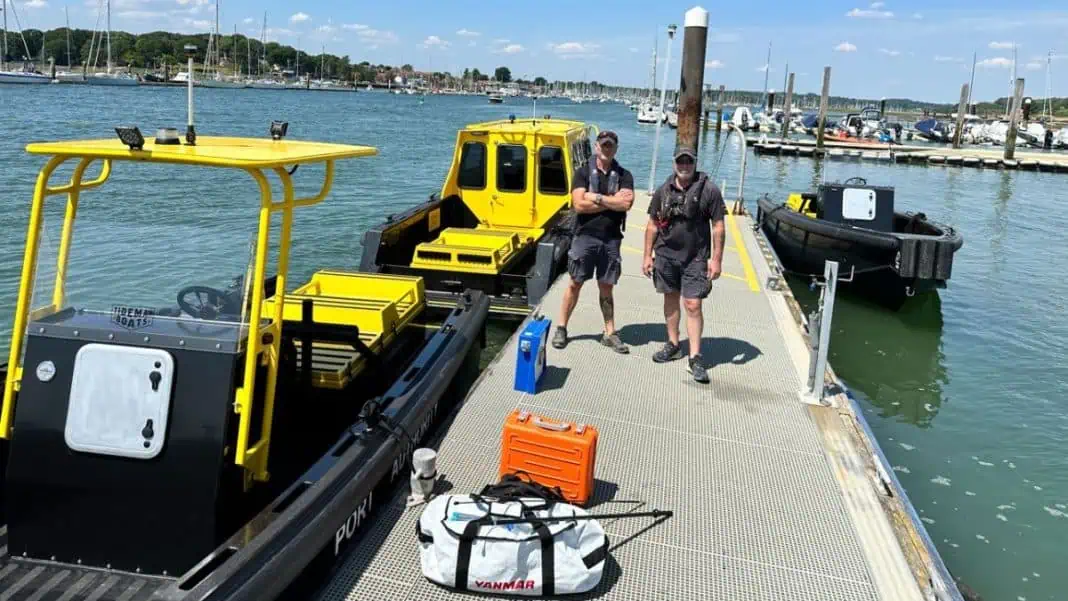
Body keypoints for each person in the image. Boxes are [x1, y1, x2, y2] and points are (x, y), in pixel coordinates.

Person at [641, 147, 725, 383]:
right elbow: (652, 226)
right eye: (680, 161)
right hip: (666, 255)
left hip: (695, 257)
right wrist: (647, 255)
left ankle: (695, 356)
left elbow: (718, 226)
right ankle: (673, 343)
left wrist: (716, 259)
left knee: (693, 304)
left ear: (695, 163)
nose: (684, 166)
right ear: (674, 163)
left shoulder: (709, 190)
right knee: (670, 298)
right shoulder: (663, 191)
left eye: (689, 162)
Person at [551, 130, 635, 353]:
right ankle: (562, 327)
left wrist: (594, 197)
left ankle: (610, 332)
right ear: (596, 147)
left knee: (607, 287)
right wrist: (610, 201)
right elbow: (578, 205)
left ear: (615, 148)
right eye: (603, 145)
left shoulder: (625, 175)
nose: (606, 149)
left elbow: (625, 204)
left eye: (610, 146)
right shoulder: (582, 173)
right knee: (574, 282)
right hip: (585, 236)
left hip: (611, 239)